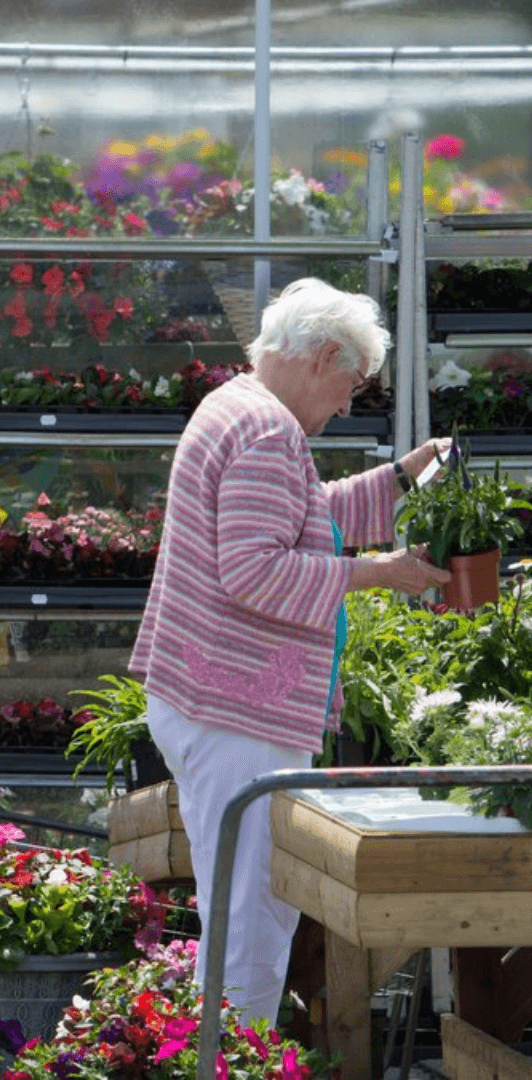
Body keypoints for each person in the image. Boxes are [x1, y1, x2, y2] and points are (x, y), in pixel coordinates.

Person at [129, 278, 450, 1027]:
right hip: (234, 708)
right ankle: (235, 1059)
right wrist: (381, 574)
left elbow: (303, 515)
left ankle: (227, 1052)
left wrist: (401, 479)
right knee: (251, 916)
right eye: (353, 383)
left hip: (209, 697)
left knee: (243, 903)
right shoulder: (269, 431)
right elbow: (254, 571)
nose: (348, 403)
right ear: (324, 356)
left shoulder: (237, 406)